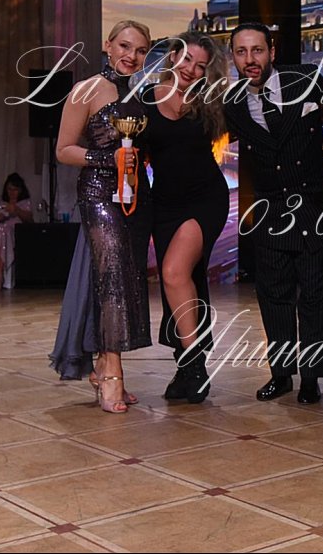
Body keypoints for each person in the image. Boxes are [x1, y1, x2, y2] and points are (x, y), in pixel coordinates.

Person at [222, 23, 323, 405]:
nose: (250, 59)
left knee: (315, 298)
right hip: (270, 211)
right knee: (274, 297)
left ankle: (311, 379)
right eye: (241, 52)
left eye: (257, 50)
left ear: (271, 50)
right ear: (233, 57)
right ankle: (281, 374)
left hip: (313, 207)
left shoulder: (304, 77)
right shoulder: (232, 102)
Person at [54, 19, 153, 414]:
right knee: (111, 279)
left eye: (141, 50)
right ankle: (112, 373)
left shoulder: (142, 93)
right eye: (125, 46)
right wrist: (107, 158)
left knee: (122, 281)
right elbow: (63, 149)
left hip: (135, 197)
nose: (132, 56)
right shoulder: (87, 89)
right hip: (98, 194)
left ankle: (103, 366)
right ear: (108, 45)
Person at [136, 32, 229, 404]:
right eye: (187, 59)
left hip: (205, 199)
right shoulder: (145, 99)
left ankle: (194, 366)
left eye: (200, 66)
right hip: (165, 204)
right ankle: (187, 366)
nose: (191, 69)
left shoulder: (210, 102)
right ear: (173, 55)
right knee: (182, 282)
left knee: (174, 273)